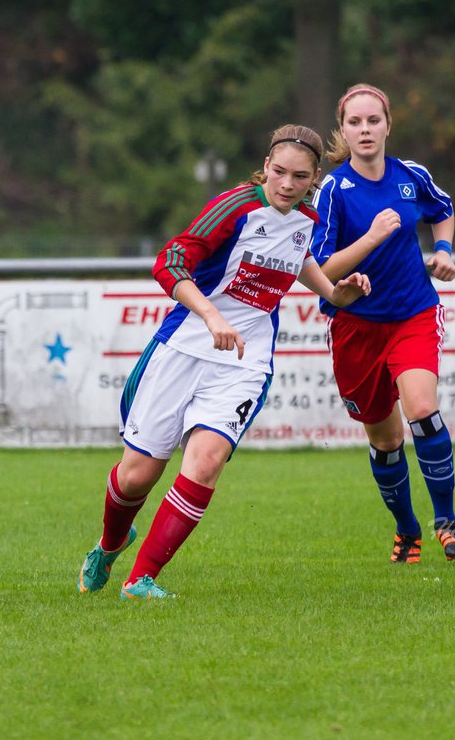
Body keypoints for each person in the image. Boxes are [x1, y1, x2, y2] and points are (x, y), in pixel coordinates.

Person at [77, 125, 371, 599]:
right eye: (279, 173)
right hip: (183, 348)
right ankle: (109, 546)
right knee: (137, 476)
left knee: (207, 460)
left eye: (299, 176)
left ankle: (141, 579)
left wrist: (341, 293)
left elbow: (306, 271)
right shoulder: (235, 206)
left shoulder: (308, 220)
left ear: (315, 176)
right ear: (266, 166)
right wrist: (212, 315)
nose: (286, 185)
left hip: (244, 361)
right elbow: (169, 261)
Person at [309, 83, 455, 565]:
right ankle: (407, 528)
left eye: (372, 121)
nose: (364, 130)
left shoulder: (411, 175)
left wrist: (442, 251)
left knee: (422, 408)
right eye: (355, 123)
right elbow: (320, 268)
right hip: (356, 327)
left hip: (412, 314)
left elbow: (443, 212)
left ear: (387, 125)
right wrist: (372, 239)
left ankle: (447, 522)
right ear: (343, 129)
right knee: (387, 440)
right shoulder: (334, 190)